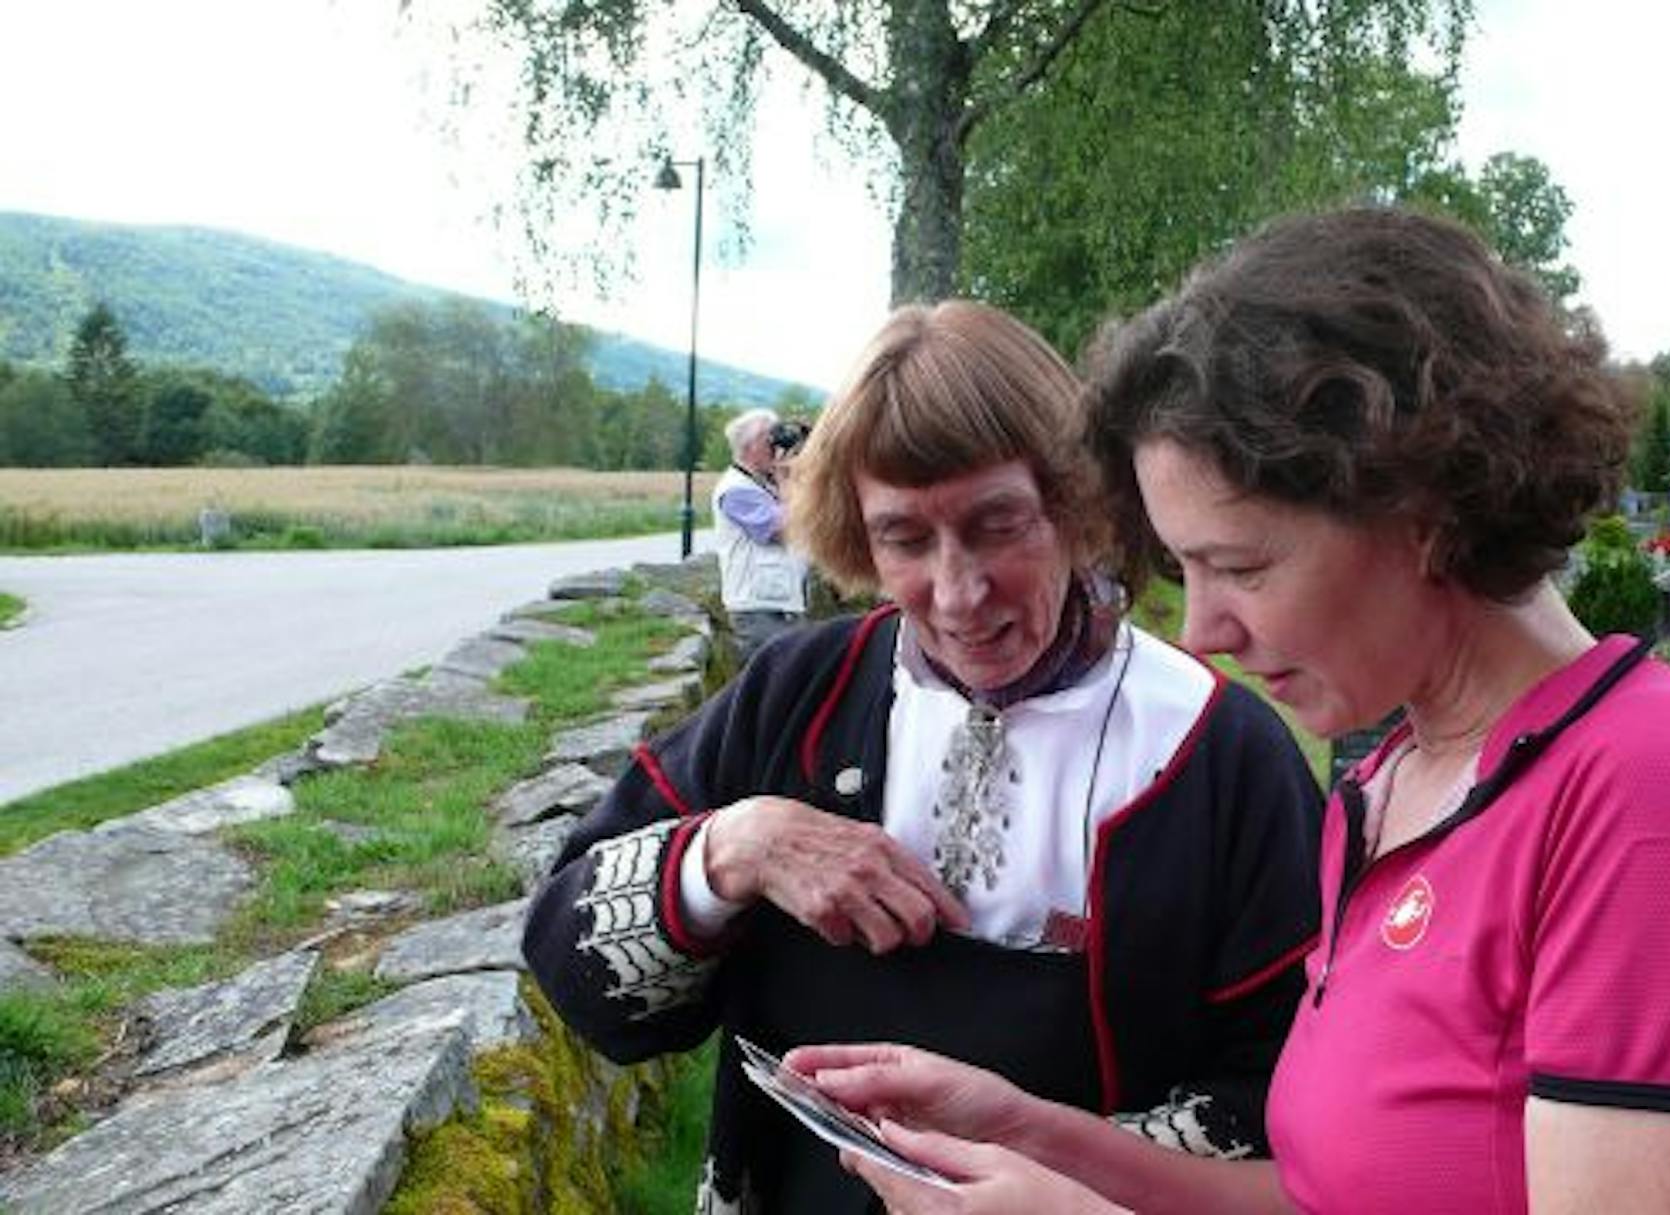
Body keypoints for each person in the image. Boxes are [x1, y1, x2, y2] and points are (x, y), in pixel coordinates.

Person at [790, 208, 1670, 1214]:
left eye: (1238, 566)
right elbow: (1326, 1194)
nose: (1203, 632)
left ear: (1420, 507)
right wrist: (1034, 1133)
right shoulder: (1394, 789)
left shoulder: (1649, 807)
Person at [522, 301, 1324, 1214]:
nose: (957, 593)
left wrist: (1051, 1179)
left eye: (997, 524)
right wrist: (733, 847)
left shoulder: (1214, 753)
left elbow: (1294, 1096)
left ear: (1074, 502)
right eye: (905, 537)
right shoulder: (800, 693)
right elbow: (576, 972)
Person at [713, 407, 814, 661]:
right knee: (774, 688)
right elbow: (782, 529)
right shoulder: (736, 491)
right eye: (769, 439)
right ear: (749, 447)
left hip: (780, 604)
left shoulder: (763, 484)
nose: (775, 446)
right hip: (758, 610)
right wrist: (785, 478)